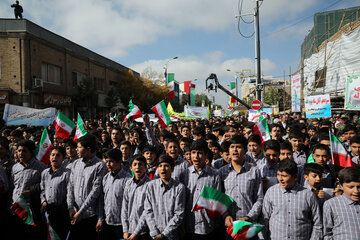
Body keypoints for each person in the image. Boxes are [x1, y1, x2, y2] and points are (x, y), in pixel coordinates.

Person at [262, 159, 322, 240]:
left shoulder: (308, 195)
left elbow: (317, 224)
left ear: (295, 177)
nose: (280, 179)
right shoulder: (271, 192)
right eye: (278, 175)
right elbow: (264, 220)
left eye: (284, 176)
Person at [67, 135, 107, 240]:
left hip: (90, 215)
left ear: (88, 149)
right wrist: (70, 207)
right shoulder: (76, 163)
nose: (76, 150)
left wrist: (81, 211)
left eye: (79, 147)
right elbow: (70, 186)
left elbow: (95, 192)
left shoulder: (100, 166)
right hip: (74, 214)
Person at [219, 135, 263, 231]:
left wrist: (249, 217)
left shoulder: (254, 171)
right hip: (229, 225)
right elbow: (219, 197)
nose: (235, 150)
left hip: (248, 225)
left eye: (238, 147)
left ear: (245, 150)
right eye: (232, 147)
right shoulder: (222, 172)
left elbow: (259, 198)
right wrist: (226, 215)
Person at [179, 139, 222, 239]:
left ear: (206, 155)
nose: (196, 156)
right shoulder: (184, 174)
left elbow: (216, 201)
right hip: (188, 225)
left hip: (207, 225)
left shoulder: (215, 174)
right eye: (193, 153)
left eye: (199, 153)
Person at [144, 155, 186, 240]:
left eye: (166, 166)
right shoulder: (151, 186)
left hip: (172, 235)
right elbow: (148, 210)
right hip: (154, 235)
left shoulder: (179, 187)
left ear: (172, 169)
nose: (163, 169)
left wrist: (164, 234)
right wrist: (154, 232)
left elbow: (179, 214)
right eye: (160, 166)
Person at [97, 149, 130, 240]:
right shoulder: (105, 178)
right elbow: (101, 200)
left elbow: (128, 205)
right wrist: (100, 219)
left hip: (121, 225)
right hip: (107, 223)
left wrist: (126, 227)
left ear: (119, 162)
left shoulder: (127, 180)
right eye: (106, 161)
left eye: (111, 161)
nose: (108, 164)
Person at [40, 146, 71, 240]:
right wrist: (43, 201)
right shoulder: (45, 173)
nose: (55, 157)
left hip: (61, 212)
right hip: (48, 211)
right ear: (49, 157)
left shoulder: (67, 173)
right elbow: (42, 190)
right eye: (52, 155)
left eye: (58, 155)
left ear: (63, 158)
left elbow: (70, 192)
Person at [323, 167, 360, 239]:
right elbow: (327, 233)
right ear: (341, 185)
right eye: (351, 187)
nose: (356, 191)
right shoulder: (331, 204)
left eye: (359, 186)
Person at [122, 155, 151, 240]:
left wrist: (136, 232)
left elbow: (147, 211)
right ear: (131, 168)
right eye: (135, 164)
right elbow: (124, 207)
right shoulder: (128, 183)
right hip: (129, 230)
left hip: (143, 231)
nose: (137, 167)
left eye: (140, 164)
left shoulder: (150, 185)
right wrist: (125, 230)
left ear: (145, 167)